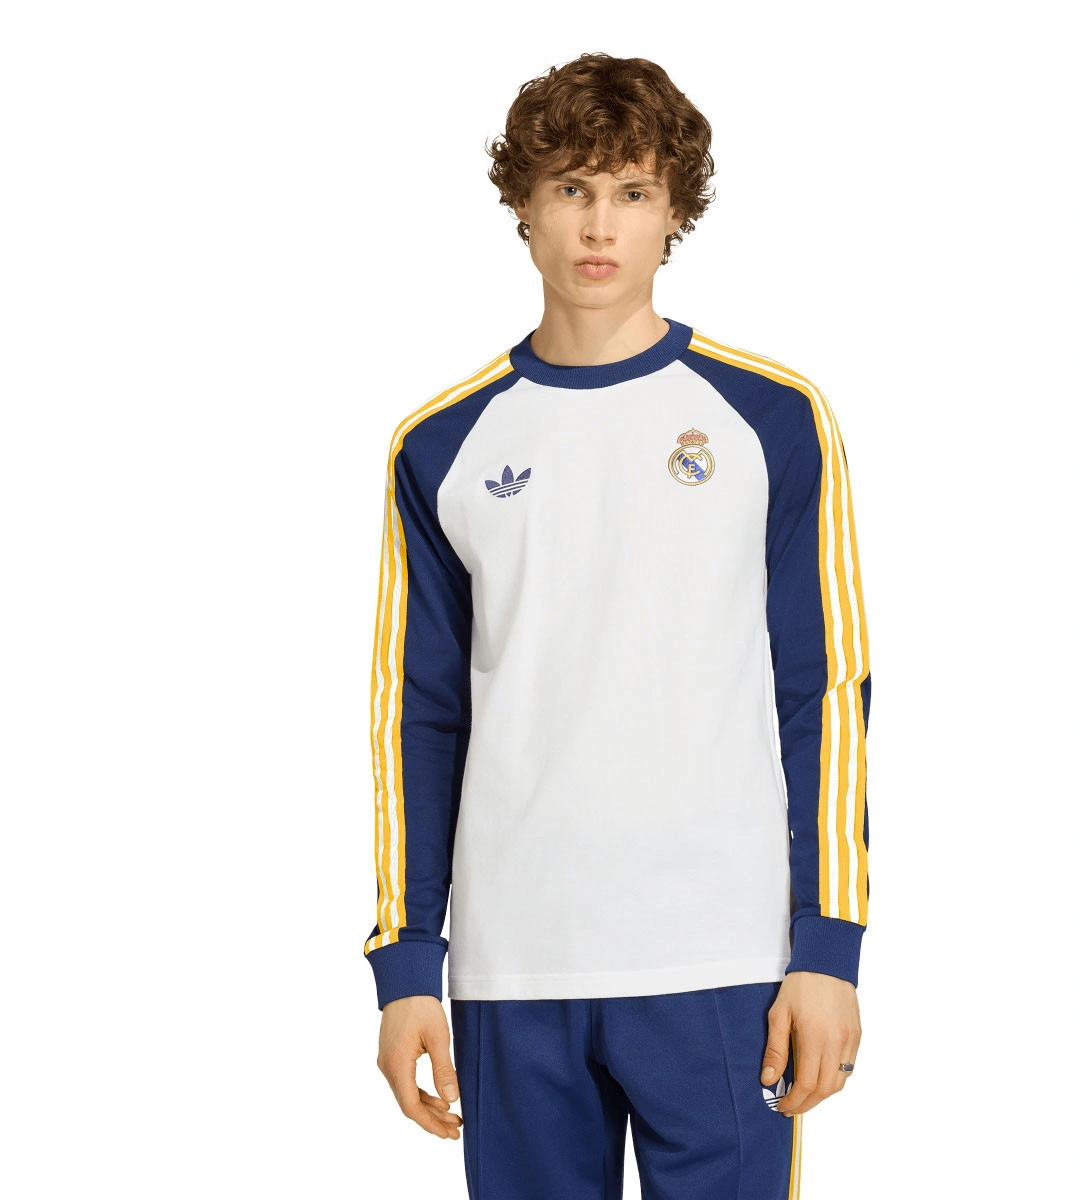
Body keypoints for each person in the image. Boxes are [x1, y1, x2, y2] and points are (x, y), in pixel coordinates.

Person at [363, 52, 872, 1199]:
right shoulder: (440, 445)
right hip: (515, 969)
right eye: (572, 189)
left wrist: (829, 946)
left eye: (633, 192)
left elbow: (827, 693)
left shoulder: (770, 418)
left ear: (674, 211)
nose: (600, 225)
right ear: (523, 204)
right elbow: (418, 718)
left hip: (722, 959)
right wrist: (406, 966)